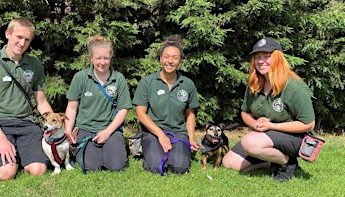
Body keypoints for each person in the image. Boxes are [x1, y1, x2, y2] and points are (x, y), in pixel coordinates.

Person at [222, 37, 315, 182]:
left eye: (267, 56)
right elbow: (245, 112)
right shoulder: (254, 83)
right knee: (228, 162)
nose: (261, 61)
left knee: (250, 142)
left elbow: (308, 124)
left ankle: (288, 163)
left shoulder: (295, 87)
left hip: (296, 138)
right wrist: (255, 124)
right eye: (257, 57)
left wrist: (272, 126)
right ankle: (273, 161)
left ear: (278, 58)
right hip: (266, 135)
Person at [0, 18, 54, 181]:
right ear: (8, 34)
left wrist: (55, 125)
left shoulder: (34, 64)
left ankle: (22, 152)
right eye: (18, 37)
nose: (22, 43)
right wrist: (1, 139)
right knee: (6, 173)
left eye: (27, 39)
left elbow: (42, 101)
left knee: (38, 170)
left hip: (27, 124)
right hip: (0, 124)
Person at [132, 35, 200, 175]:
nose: (170, 61)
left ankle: (177, 151)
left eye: (175, 58)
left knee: (180, 168)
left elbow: (190, 114)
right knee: (156, 167)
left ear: (180, 61)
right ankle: (144, 146)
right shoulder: (147, 82)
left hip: (178, 132)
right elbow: (140, 113)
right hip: (153, 133)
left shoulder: (187, 84)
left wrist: (191, 138)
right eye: (166, 57)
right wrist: (160, 135)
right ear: (160, 59)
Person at [64, 34, 132, 172]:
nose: (102, 62)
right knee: (92, 167)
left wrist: (108, 131)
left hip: (110, 129)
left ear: (111, 57)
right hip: (85, 129)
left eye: (106, 58)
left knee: (117, 166)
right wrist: (68, 133)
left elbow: (123, 109)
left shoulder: (118, 78)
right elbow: (71, 108)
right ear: (91, 58)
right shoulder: (80, 77)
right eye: (98, 58)